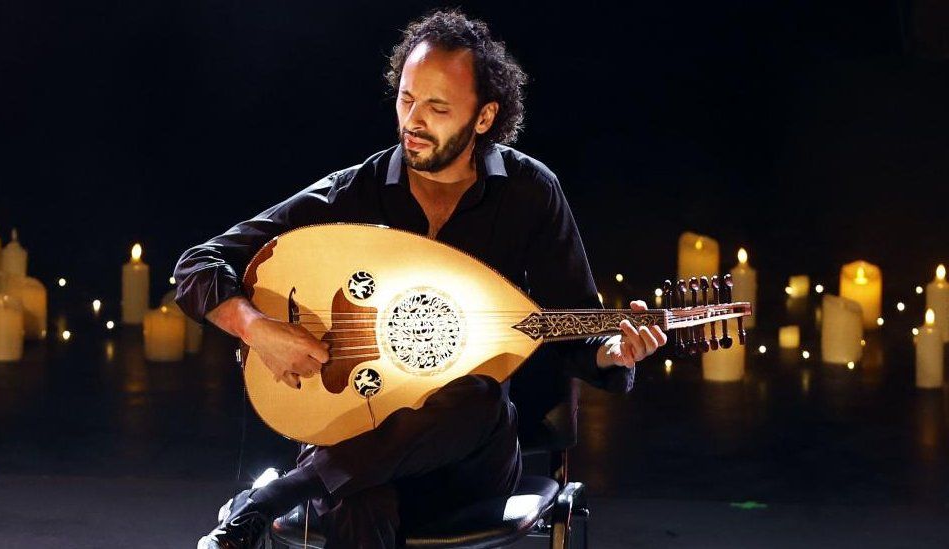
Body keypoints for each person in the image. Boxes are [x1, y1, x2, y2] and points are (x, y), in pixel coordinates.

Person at [178, 10, 667, 549]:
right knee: (362, 499)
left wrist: (613, 352)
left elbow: (574, 330)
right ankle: (302, 488)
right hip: (355, 443)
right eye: (406, 99)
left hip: (470, 458)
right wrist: (257, 329)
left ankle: (270, 499)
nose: (414, 120)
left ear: (483, 118)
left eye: (437, 107)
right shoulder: (357, 193)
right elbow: (198, 265)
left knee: (477, 396)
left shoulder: (529, 194)